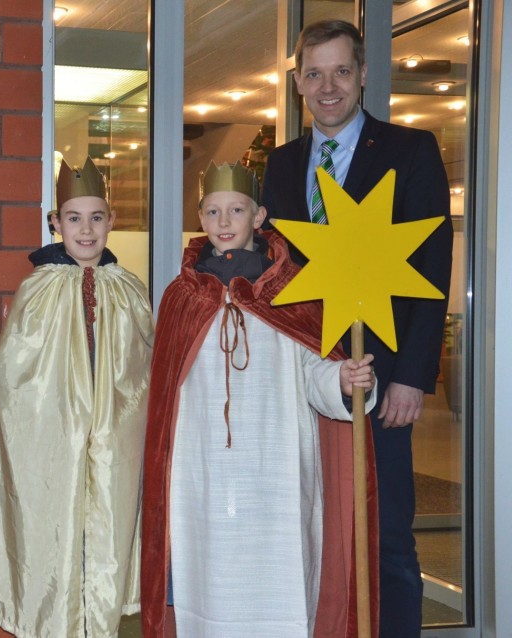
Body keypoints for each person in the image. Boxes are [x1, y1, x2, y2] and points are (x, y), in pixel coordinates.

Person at [261, 20, 454, 637]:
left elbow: (431, 271)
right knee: (312, 533)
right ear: (297, 83)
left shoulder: (411, 150)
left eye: (340, 71)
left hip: (382, 381)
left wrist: (412, 380)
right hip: (304, 382)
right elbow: (274, 275)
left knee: (389, 540)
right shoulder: (282, 165)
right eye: (313, 73)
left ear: (363, 74)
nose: (327, 87)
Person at [141, 161, 380, 638]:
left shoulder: (295, 292)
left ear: (259, 216)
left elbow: (312, 372)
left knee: (282, 577)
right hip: (200, 470)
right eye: (212, 211)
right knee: (205, 575)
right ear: (201, 219)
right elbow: (166, 394)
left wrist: (342, 381)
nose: (224, 221)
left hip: (279, 472)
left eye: (236, 210)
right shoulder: (180, 296)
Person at [0, 157, 154, 638]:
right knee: (52, 537)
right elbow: (14, 374)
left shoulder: (129, 289)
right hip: (52, 441)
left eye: (96, 218)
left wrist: (113, 421)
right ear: (55, 223)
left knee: (110, 536)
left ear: (111, 222)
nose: (86, 229)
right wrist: (60, 419)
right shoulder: (37, 288)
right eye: (74, 218)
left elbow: (143, 369)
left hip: (114, 442)